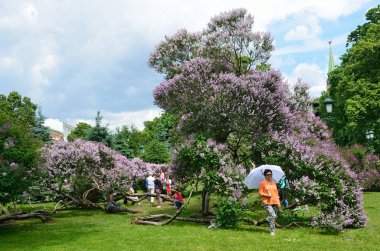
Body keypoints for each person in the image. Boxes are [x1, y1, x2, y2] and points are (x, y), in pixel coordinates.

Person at [259, 169, 281, 236]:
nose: (269, 175)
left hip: (274, 202)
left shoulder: (274, 183)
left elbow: (276, 193)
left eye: (270, 174)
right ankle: (272, 231)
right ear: (265, 175)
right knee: (273, 215)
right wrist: (266, 195)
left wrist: (278, 203)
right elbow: (260, 193)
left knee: (274, 216)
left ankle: (271, 227)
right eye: (268, 174)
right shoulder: (263, 183)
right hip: (266, 202)